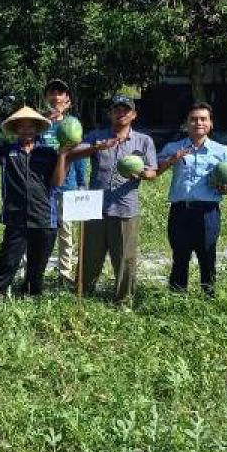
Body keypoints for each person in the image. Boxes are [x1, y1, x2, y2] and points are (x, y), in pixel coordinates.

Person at [68, 94, 157, 305]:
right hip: (95, 207)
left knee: (125, 259)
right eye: (117, 109)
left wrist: (142, 174)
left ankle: (123, 300)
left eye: (126, 110)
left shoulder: (144, 141)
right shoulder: (96, 136)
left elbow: (153, 172)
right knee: (89, 256)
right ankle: (83, 296)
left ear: (133, 115)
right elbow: (72, 153)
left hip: (126, 209)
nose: (121, 113)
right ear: (110, 113)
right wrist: (96, 147)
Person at [0, 105, 69, 297]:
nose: (26, 131)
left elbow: (57, 182)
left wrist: (62, 155)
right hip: (16, 218)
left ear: (36, 129)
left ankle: (30, 297)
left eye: (30, 127)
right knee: (8, 261)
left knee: (37, 267)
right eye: (22, 127)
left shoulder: (48, 153)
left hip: (44, 218)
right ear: (16, 129)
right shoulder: (6, 150)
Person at [151, 102, 227, 295]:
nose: (199, 123)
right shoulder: (173, 147)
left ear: (211, 123)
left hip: (208, 212)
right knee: (180, 256)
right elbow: (154, 172)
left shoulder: (222, 151)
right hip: (180, 211)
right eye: (193, 119)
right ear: (186, 124)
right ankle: (177, 298)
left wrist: (226, 188)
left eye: (203, 119)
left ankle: (209, 297)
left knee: (207, 257)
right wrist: (172, 160)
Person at [40, 79, 89, 285]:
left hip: (66, 186)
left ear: (67, 98)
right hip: (41, 186)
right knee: (40, 230)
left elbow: (79, 154)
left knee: (65, 232)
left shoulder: (73, 125)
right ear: (46, 98)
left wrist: (81, 182)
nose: (56, 97)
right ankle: (35, 271)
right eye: (52, 93)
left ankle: (65, 274)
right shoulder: (39, 123)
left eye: (60, 93)